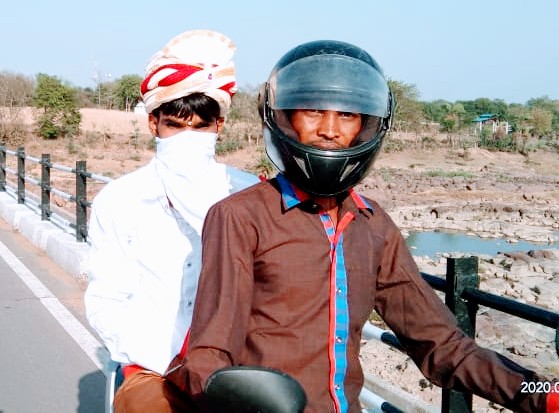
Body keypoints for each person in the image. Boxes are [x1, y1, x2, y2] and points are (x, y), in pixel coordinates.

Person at [165, 40, 559, 412]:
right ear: (283, 119)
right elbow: (210, 353)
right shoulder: (240, 216)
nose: (330, 129)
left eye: (347, 115)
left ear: (367, 126)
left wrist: (545, 393)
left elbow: (443, 345)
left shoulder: (374, 226)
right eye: (313, 111)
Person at [84, 29, 258, 413]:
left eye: (200, 127)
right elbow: (106, 297)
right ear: (153, 125)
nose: (187, 137)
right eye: (175, 126)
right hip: (153, 369)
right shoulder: (121, 199)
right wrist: (158, 357)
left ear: (219, 128)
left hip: (235, 372)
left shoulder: (248, 196)